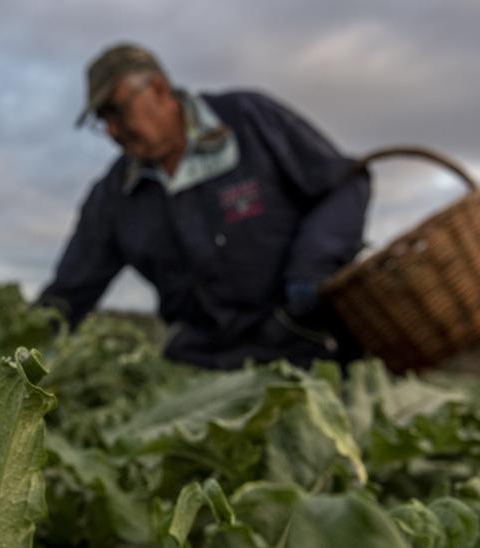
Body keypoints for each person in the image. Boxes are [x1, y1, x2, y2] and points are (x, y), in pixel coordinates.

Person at [38, 42, 372, 370]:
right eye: (102, 120)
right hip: (207, 366)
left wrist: (312, 268)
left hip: (307, 342)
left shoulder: (249, 119)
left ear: (158, 88)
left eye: (117, 111)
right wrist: (16, 348)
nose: (112, 130)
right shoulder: (115, 196)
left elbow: (344, 183)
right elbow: (70, 291)